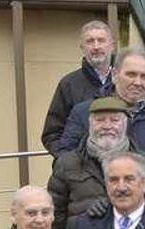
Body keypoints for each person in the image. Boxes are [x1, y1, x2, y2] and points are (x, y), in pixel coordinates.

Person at [47, 96, 145, 229]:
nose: (107, 126)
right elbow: (54, 213)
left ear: (125, 124)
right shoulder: (67, 163)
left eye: (114, 120)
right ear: (90, 124)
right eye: (100, 120)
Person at [57, 48, 145, 172]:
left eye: (144, 76)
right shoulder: (84, 113)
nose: (138, 82)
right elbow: (65, 161)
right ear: (114, 75)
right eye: (131, 74)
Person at [43, 21, 114, 155]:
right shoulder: (68, 84)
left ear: (112, 45)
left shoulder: (126, 80)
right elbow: (52, 134)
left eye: (101, 40)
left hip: (122, 169)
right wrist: (68, 162)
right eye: (90, 41)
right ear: (82, 47)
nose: (96, 46)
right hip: (82, 171)